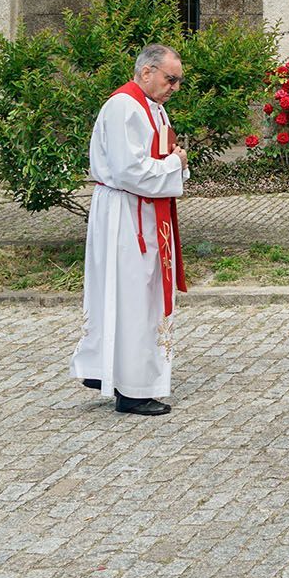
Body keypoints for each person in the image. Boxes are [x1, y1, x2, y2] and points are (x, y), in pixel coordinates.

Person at [71, 44, 188, 416]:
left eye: (178, 81)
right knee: (133, 297)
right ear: (146, 72)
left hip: (144, 210)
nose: (175, 87)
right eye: (171, 79)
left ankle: (114, 373)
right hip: (126, 213)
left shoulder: (153, 106)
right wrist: (175, 162)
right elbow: (129, 171)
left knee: (138, 295)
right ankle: (132, 388)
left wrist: (173, 163)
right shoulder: (124, 106)